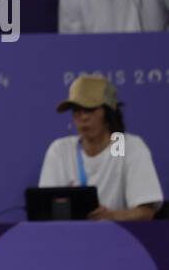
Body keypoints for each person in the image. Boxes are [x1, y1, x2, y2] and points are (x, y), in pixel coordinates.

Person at [38, 75, 162, 220]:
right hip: (69, 238)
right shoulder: (61, 150)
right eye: (76, 110)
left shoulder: (124, 145)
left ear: (108, 112)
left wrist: (112, 216)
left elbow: (145, 212)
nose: (83, 117)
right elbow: (45, 212)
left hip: (117, 238)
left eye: (90, 109)